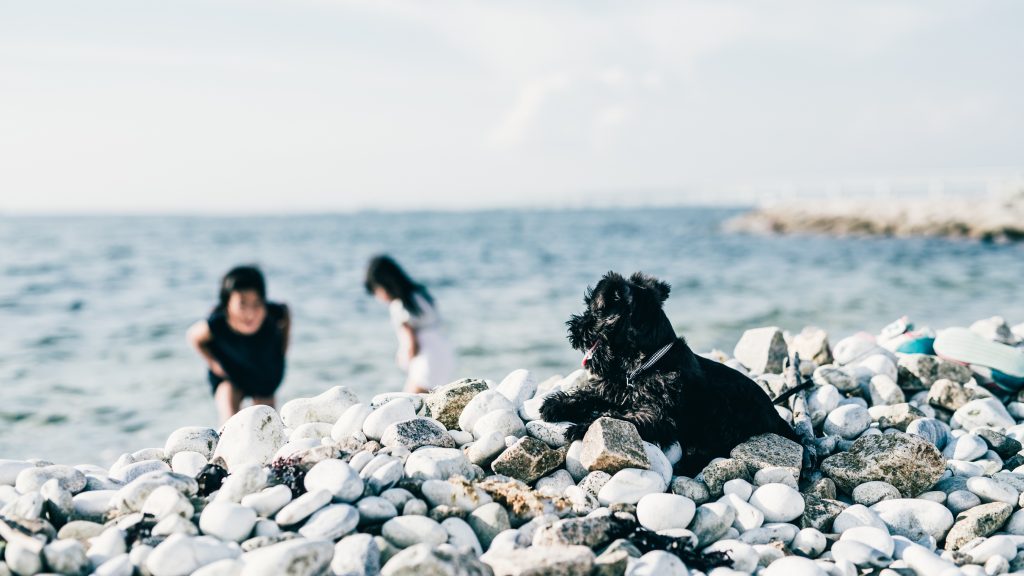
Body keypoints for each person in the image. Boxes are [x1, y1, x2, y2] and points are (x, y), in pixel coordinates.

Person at [187, 265, 290, 424]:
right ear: (227, 305)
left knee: (268, 423)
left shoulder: (273, 314)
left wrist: (282, 351)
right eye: (242, 304)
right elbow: (193, 337)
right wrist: (213, 363)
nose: (250, 313)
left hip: (263, 373)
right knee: (229, 414)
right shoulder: (217, 324)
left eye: (256, 303)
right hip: (230, 373)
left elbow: (286, 313)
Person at [365, 255, 455, 393]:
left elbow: (412, 343)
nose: (377, 297)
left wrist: (405, 360)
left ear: (384, 285)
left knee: (409, 403)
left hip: (426, 359)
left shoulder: (399, 305)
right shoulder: (420, 293)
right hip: (444, 351)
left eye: (376, 290)